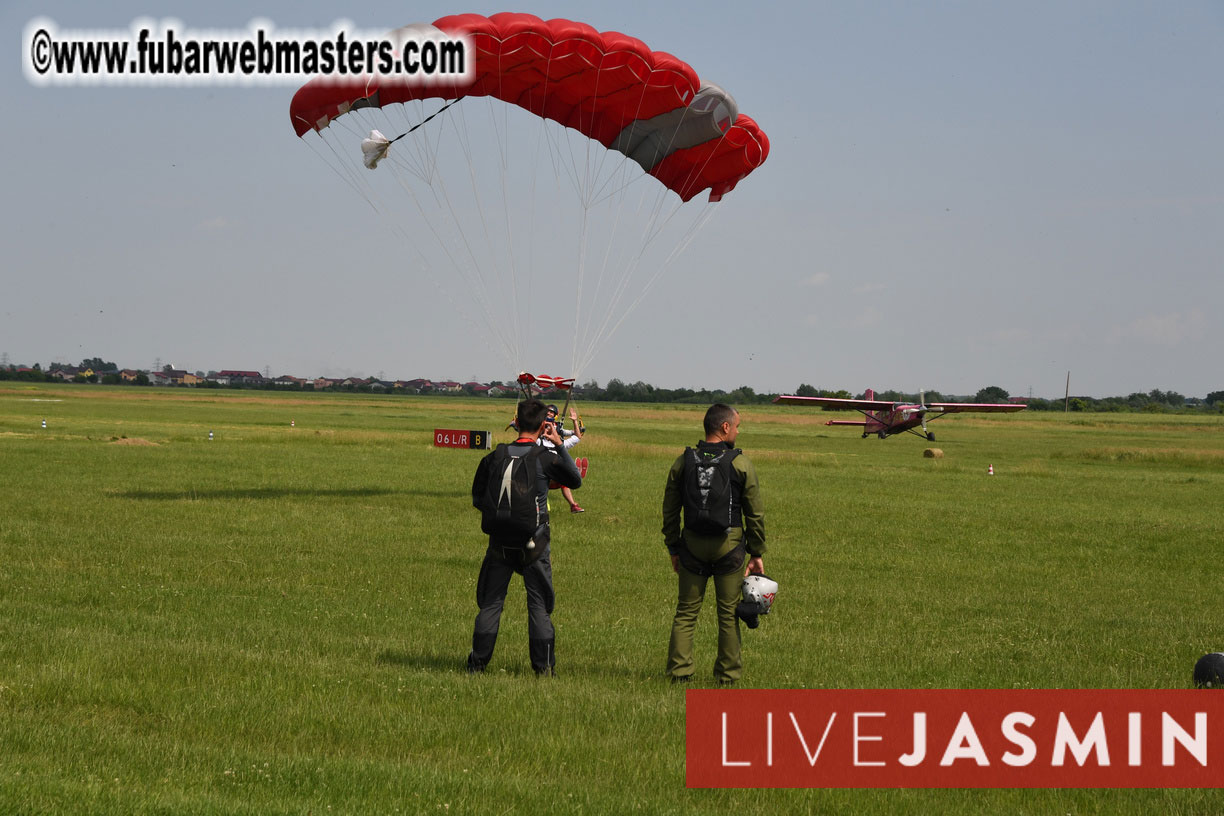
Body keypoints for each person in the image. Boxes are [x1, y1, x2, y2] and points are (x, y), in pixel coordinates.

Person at [468, 398, 582, 676]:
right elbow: (575, 479)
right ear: (545, 425)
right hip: (535, 542)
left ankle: (477, 665)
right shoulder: (545, 457)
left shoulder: (495, 455)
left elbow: (478, 495)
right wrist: (557, 443)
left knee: (492, 603)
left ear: (516, 422)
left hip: (499, 542)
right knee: (538, 605)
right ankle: (543, 669)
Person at [661, 403, 766, 685]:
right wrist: (756, 552)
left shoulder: (684, 461)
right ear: (725, 428)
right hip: (728, 546)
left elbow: (670, 509)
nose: (739, 432)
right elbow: (754, 512)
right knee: (729, 613)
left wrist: (673, 546)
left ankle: (680, 673)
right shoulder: (740, 463)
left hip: (692, 545)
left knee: (685, 612)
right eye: (738, 426)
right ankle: (728, 676)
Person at [542, 403, 586, 513]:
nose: (549, 413)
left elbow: (577, 436)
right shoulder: (538, 441)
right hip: (542, 475)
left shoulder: (562, 443)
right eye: (547, 411)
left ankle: (573, 505)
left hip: (553, 475)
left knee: (564, 481)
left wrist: (575, 421)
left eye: (551, 412)